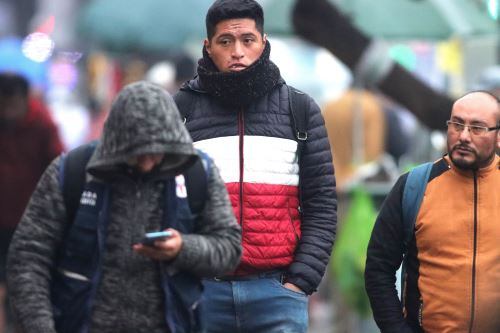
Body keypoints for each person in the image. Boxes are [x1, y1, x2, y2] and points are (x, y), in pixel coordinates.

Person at [7, 81, 242, 333]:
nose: (147, 162)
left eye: (158, 152)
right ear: (115, 145)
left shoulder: (198, 173)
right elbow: (28, 258)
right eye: (137, 152)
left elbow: (228, 249)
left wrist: (183, 248)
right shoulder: (71, 172)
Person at [174, 1, 337, 332]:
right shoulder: (181, 111)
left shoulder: (299, 109)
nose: (237, 51)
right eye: (225, 42)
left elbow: (321, 204)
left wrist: (299, 281)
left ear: (263, 42)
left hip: (277, 293)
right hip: (201, 293)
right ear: (208, 47)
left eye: (247, 40)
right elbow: (163, 201)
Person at [365, 91, 500, 332]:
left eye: (477, 128)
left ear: (498, 136)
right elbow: (378, 267)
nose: (464, 136)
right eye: (457, 124)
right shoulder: (415, 185)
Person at [0, 72, 63, 333]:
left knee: (25, 280)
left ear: (25, 100)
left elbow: (59, 167)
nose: (7, 111)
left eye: (12, 103)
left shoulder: (43, 125)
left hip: (30, 219)